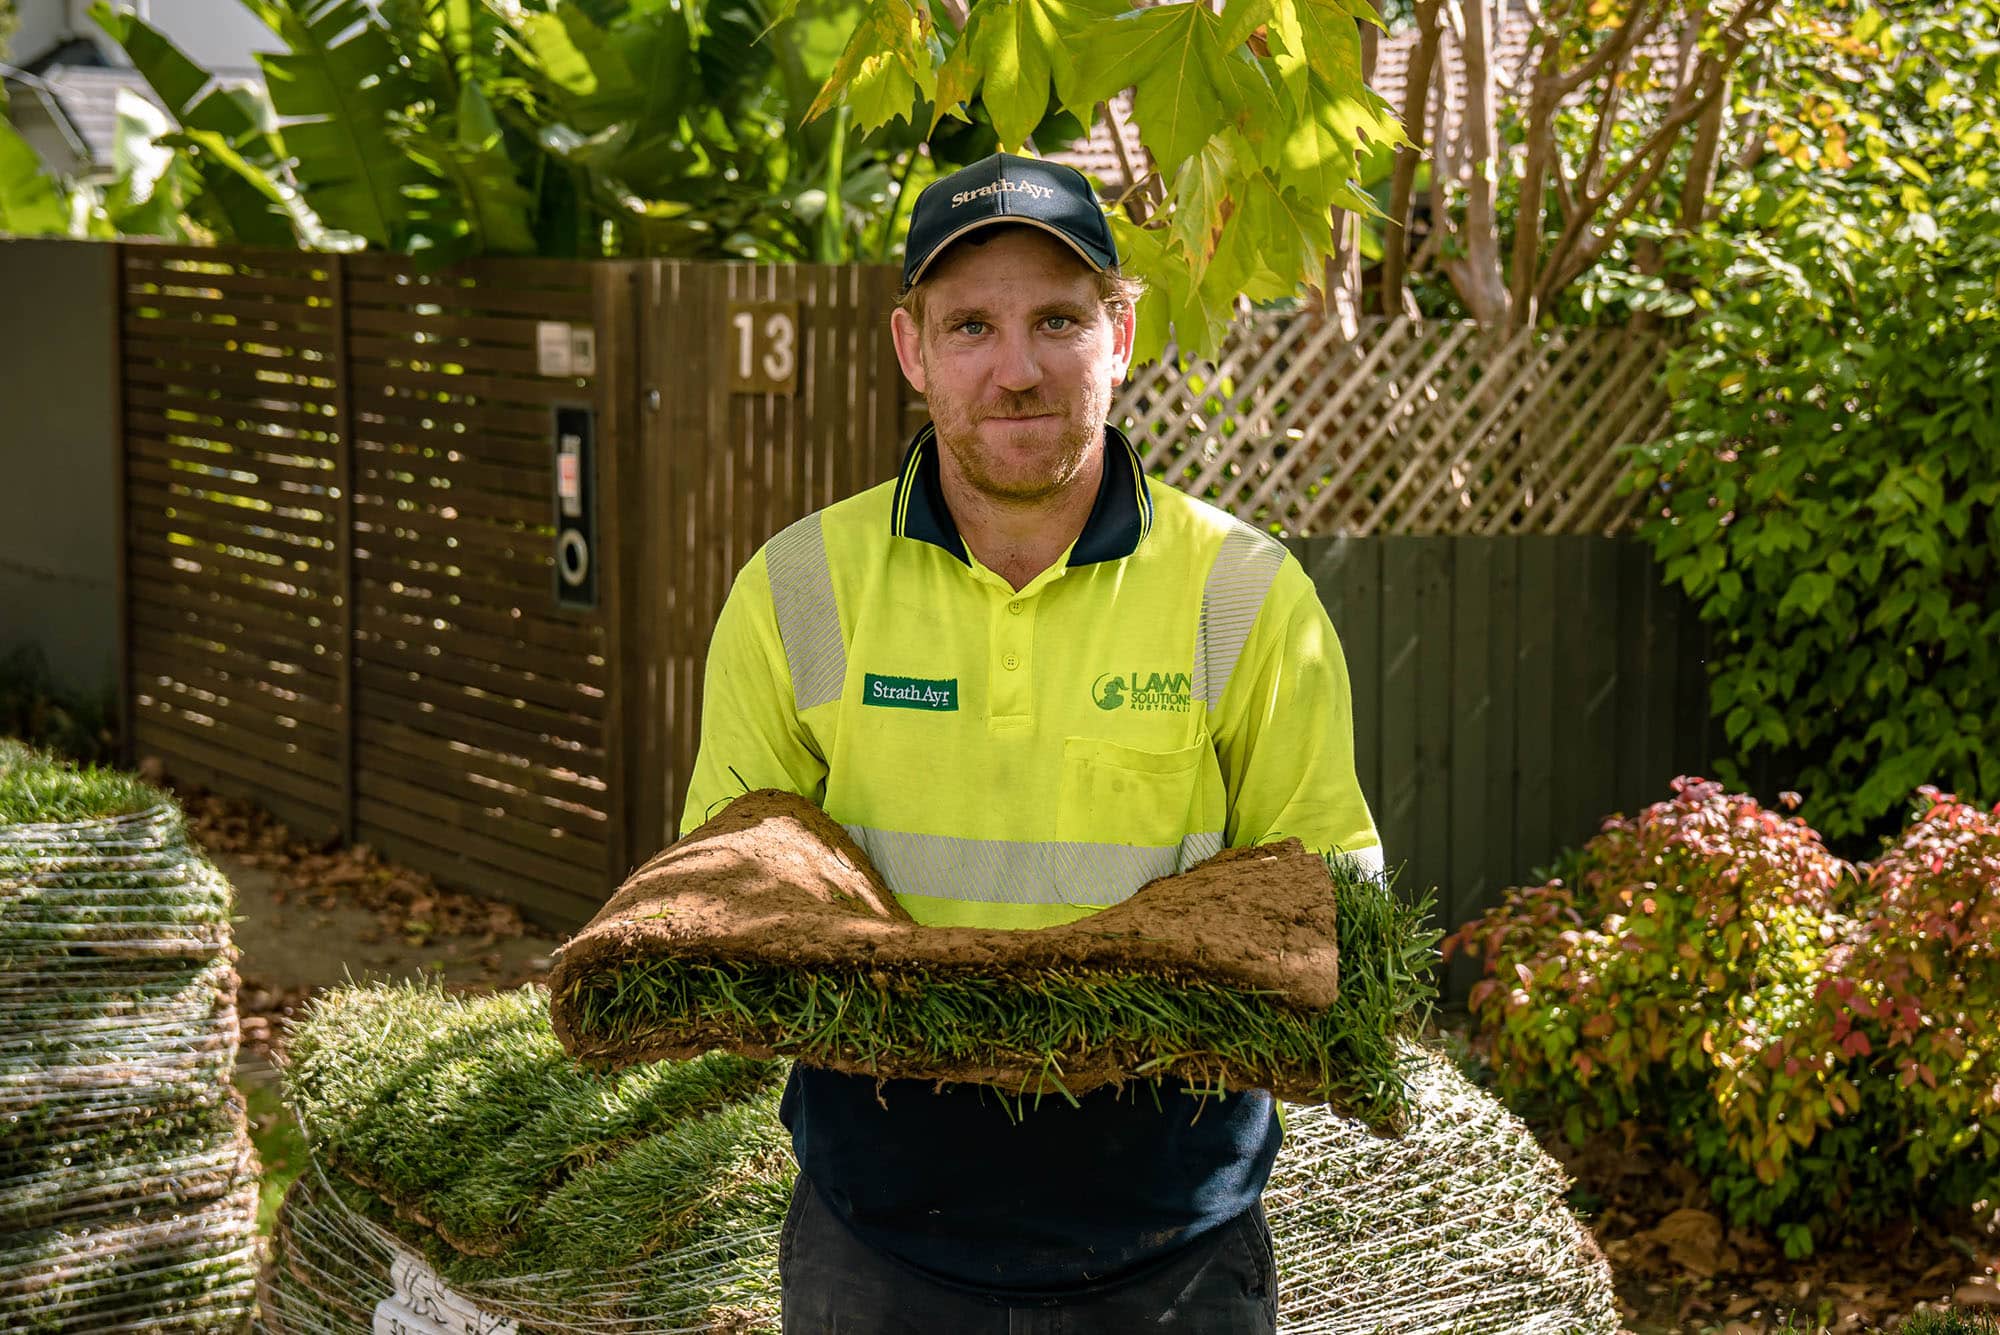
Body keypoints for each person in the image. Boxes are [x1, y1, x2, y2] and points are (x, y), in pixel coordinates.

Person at [680, 151, 1382, 1334]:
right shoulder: (796, 588)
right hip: (877, 1241)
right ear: (910, 349)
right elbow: (730, 890)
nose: (1016, 370)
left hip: (1174, 1247)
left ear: (1118, 331)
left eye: (1057, 319)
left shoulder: (1243, 594)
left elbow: (1327, 896)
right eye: (970, 326)